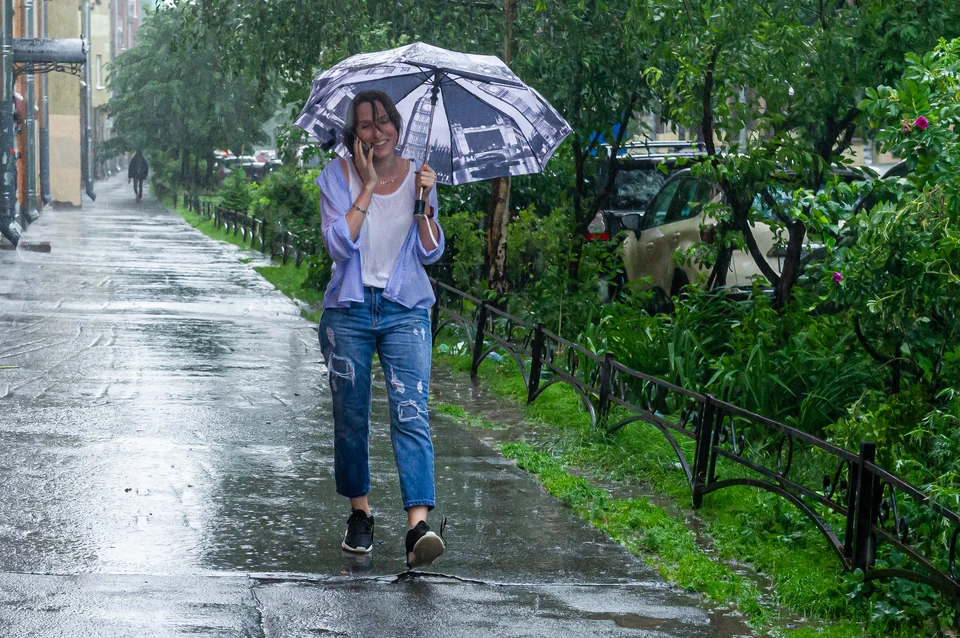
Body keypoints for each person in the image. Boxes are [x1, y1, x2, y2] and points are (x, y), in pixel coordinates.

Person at [316, 90, 445, 568]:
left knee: (411, 412)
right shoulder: (336, 177)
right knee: (351, 418)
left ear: (398, 125)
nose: (378, 131)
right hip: (348, 311)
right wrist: (366, 186)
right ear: (354, 133)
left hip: (405, 309)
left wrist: (425, 202)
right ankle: (361, 515)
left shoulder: (420, 177)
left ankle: (417, 527)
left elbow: (431, 252)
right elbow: (338, 246)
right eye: (367, 124)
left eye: (385, 121)